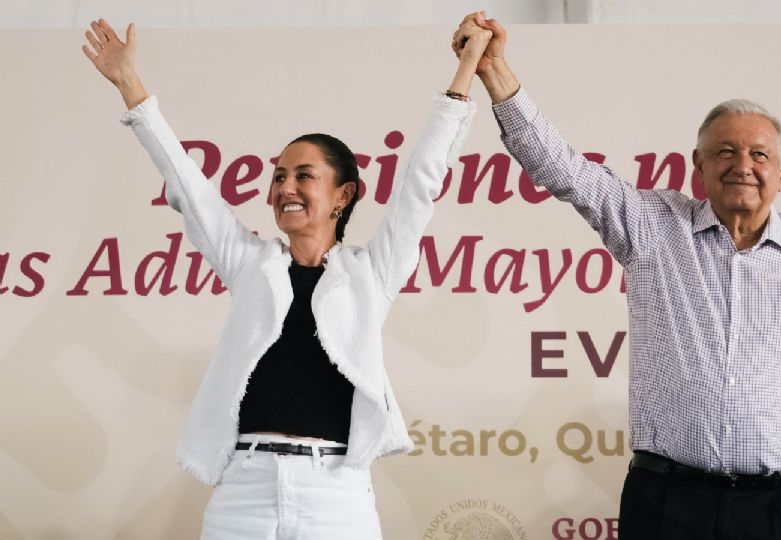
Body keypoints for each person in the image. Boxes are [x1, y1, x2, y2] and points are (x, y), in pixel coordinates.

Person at [452, 12, 781, 540]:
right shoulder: (653, 226)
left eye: (758, 154)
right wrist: (495, 73)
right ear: (698, 164)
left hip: (780, 509)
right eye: (725, 151)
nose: (742, 164)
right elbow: (562, 168)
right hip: (667, 503)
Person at [83, 17, 491, 539]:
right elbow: (188, 185)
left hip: (337, 493)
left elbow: (422, 182)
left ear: (343, 197)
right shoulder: (251, 263)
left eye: (304, 175)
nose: (285, 187)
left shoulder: (372, 272)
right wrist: (129, 85)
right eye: (278, 176)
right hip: (243, 493)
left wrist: (465, 72)